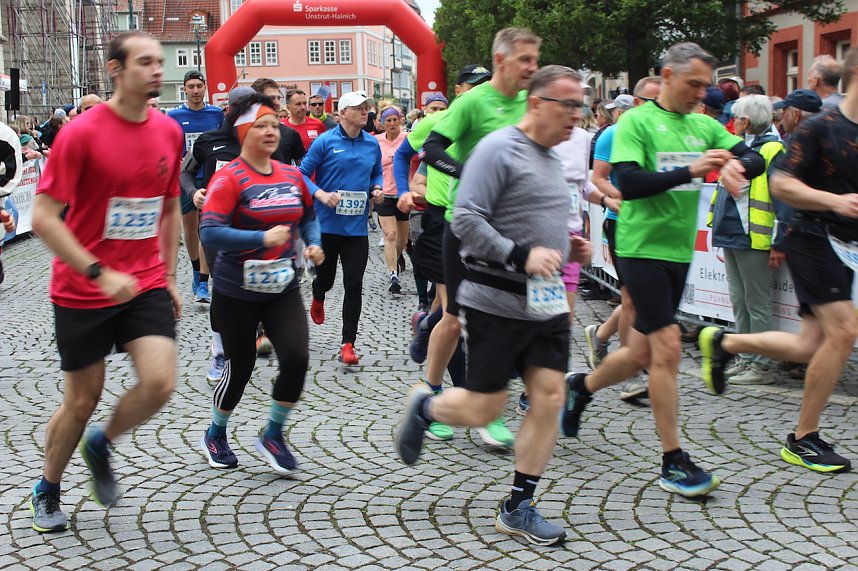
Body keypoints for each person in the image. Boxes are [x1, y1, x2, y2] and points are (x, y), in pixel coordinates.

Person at [395, 65, 591, 546]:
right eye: (568, 105)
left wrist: (568, 250)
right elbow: (465, 219)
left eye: (580, 106)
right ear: (537, 103)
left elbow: (534, 221)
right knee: (485, 408)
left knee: (549, 397)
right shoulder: (497, 149)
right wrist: (521, 254)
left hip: (544, 304)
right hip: (497, 300)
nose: (576, 115)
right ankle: (426, 408)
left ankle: (518, 505)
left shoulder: (550, 156)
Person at [562, 42, 765, 498]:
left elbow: (753, 154)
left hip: (677, 252)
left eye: (706, 86)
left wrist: (736, 167)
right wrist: (692, 169)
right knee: (669, 345)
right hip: (639, 246)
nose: (701, 93)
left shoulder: (702, 124)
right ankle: (673, 460)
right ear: (668, 76)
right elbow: (629, 183)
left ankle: (581, 388)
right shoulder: (637, 121)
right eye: (693, 84)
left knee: (641, 354)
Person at [29, 30, 183, 533]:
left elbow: (167, 208)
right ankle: (47, 487)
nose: (157, 70)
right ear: (116, 70)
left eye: (160, 62)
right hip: (82, 286)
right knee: (81, 398)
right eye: (145, 62)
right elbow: (44, 217)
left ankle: (103, 442)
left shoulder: (168, 132)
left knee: (160, 381)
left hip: (143, 282)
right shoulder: (81, 134)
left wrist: (170, 275)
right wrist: (98, 271)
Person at [698, 46, 858, 475]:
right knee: (844, 330)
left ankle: (724, 343)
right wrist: (836, 202)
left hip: (846, 244)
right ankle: (803, 439)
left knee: (810, 343)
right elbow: (782, 185)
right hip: (810, 235)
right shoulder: (822, 126)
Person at [416, 28, 541, 448]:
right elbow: (432, 148)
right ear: (502, 60)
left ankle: (487, 409)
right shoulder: (474, 100)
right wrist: (467, 173)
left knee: (502, 320)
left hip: (509, 228)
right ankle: (430, 394)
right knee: (454, 318)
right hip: (464, 223)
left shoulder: (531, 102)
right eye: (526, 59)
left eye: (535, 60)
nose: (532, 68)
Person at [199, 93, 324, 473]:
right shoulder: (228, 178)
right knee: (241, 367)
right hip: (237, 292)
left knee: (298, 358)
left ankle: (273, 433)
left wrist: (314, 244)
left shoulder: (290, 175)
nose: (272, 131)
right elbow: (210, 232)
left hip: (282, 288)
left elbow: (308, 216)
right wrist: (259, 239)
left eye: (275, 124)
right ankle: (216, 432)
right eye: (262, 125)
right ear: (242, 132)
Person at [182, 85, 304, 379]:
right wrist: (195, 192)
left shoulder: (274, 138)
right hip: (220, 225)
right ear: (230, 110)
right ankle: (220, 352)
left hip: (264, 227)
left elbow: (297, 173)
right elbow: (185, 171)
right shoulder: (210, 140)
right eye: (244, 110)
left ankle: (263, 335)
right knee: (222, 289)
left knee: (267, 284)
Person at [706, 95, 792, 386]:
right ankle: (746, 357)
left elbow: (783, 198)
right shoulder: (745, 147)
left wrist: (778, 242)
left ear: (746, 121)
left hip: (754, 236)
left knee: (755, 303)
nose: (732, 123)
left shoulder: (771, 149)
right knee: (740, 301)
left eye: (736, 118)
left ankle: (761, 364)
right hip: (734, 234)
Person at [587, 76, 662, 402]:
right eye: (654, 100)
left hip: (661, 226)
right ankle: (633, 373)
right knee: (633, 299)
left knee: (642, 299)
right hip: (625, 224)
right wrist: (620, 199)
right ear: (638, 102)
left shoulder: (671, 131)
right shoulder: (615, 133)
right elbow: (597, 178)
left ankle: (601, 335)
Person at [300, 91, 383, 365]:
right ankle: (318, 293)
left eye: (366, 108)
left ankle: (348, 343)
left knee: (354, 283)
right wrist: (321, 194)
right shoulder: (325, 142)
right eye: (358, 108)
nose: (364, 112)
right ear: (343, 113)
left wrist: (377, 188)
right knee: (327, 278)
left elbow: (376, 173)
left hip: (357, 229)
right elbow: (301, 174)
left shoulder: (371, 144)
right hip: (327, 225)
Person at [168, 70, 225, 304]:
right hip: (187, 176)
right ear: (184, 89)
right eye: (190, 86)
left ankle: (204, 279)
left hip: (211, 175)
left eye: (198, 86)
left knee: (206, 228)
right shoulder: (174, 116)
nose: (195, 90)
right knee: (190, 227)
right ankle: (195, 269)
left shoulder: (216, 114)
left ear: (205, 87)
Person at [374, 106, 409, 293]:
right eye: (388, 120)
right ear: (382, 123)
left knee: (402, 239)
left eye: (395, 119)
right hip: (384, 194)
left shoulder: (408, 139)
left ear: (400, 121)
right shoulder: (375, 141)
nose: (392, 123)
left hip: (403, 194)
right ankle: (393, 275)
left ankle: (398, 255)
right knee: (390, 235)